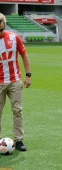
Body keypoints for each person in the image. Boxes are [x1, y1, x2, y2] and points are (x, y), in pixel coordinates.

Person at [0, 13, 31, 151]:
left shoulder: (14, 37)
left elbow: (24, 55)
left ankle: (18, 140)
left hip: (14, 81)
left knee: (17, 110)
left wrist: (28, 75)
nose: (0, 32)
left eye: (1, 29)